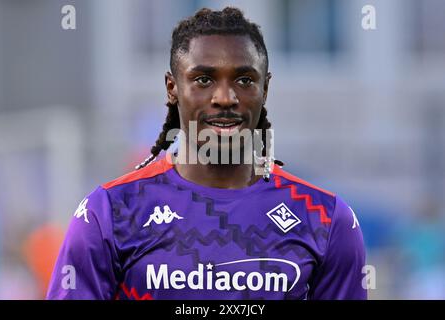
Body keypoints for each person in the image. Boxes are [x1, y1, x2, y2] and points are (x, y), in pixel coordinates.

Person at [47, 7, 366, 300]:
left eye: (244, 80)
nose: (225, 97)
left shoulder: (325, 219)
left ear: (264, 89)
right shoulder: (108, 214)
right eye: (203, 79)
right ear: (172, 88)